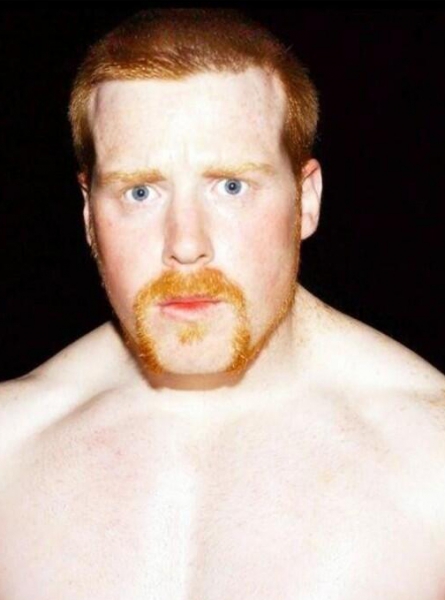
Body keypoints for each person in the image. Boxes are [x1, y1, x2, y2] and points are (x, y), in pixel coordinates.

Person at [0, 8, 444, 599]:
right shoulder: (10, 448)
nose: (186, 244)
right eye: (140, 191)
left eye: (231, 186)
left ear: (307, 199)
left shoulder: (431, 458)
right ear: (88, 214)